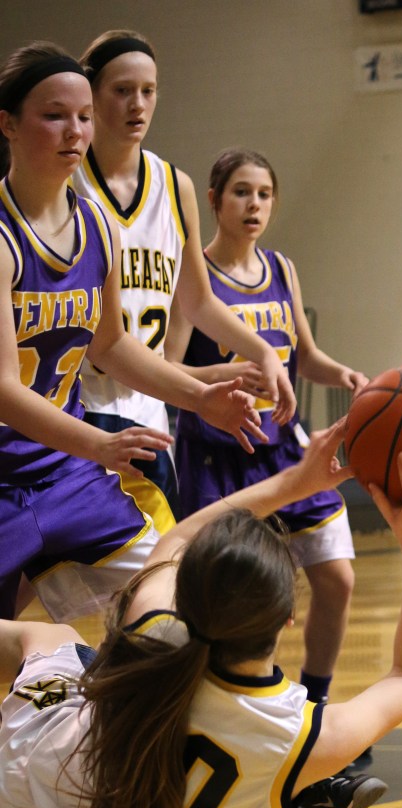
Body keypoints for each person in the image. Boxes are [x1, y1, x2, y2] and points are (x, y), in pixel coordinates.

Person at [0, 422, 402, 808]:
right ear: (288, 618)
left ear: (191, 594)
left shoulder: (156, 623)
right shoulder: (305, 735)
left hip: (21, 796)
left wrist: (295, 482)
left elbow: (179, 536)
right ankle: (297, 793)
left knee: (46, 639)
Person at [0, 42, 266, 624]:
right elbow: (2, 389)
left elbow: (111, 344)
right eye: (53, 115)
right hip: (34, 457)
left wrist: (201, 399)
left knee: (173, 605)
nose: (75, 131)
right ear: (8, 125)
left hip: (63, 468)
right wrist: (97, 444)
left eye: (82, 118)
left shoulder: (94, 223)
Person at [166, 147, 368, 714]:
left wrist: (343, 373)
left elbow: (302, 354)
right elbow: (167, 367)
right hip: (217, 452)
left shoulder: (281, 269)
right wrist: (221, 374)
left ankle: (317, 707)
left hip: (285, 448)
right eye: (241, 192)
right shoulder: (195, 277)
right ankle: (218, 706)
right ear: (213, 200)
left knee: (337, 580)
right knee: (229, 597)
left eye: (264, 194)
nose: (254, 204)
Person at [73, 30, 296, 531]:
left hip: (147, 406)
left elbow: (198, 301)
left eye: (149, 91)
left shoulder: (175, 187)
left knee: (143, 572)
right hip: (74, 403)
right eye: (122, 90)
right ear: (90, 94)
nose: (138, 104)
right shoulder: (68, 183)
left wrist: (261, 350)